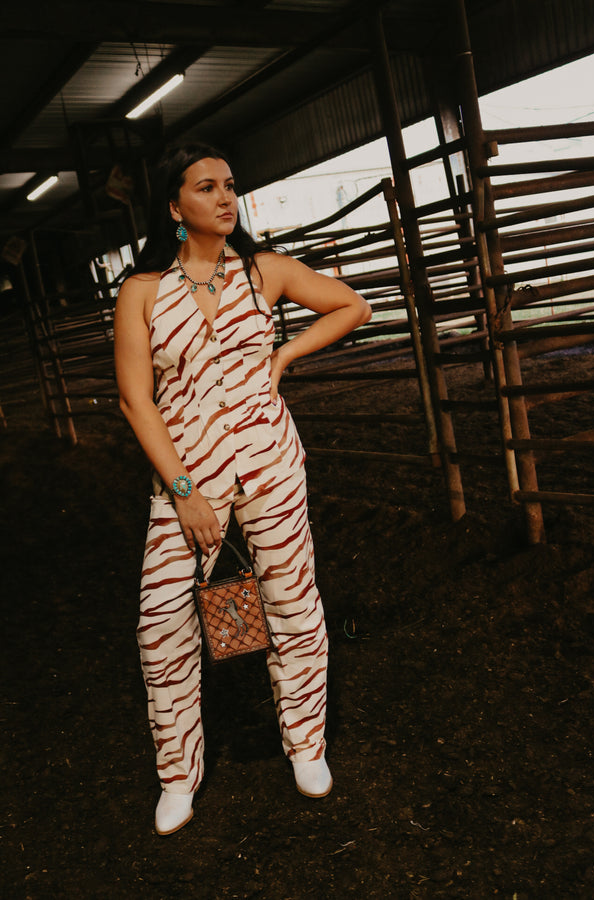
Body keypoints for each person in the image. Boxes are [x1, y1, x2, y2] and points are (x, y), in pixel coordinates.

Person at [114, 142, 371, 836]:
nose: (225, 197)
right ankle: (178, 775)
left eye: (229, 185)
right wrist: (185, 491)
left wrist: (284, 354)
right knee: (161, 623)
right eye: (206, 187)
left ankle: (306, 746)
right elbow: (136, 400)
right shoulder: (142, 291)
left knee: (292, 604)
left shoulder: (265, 272)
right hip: (187, 479)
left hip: (272, 465)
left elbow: (352, 305)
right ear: (175, 207)